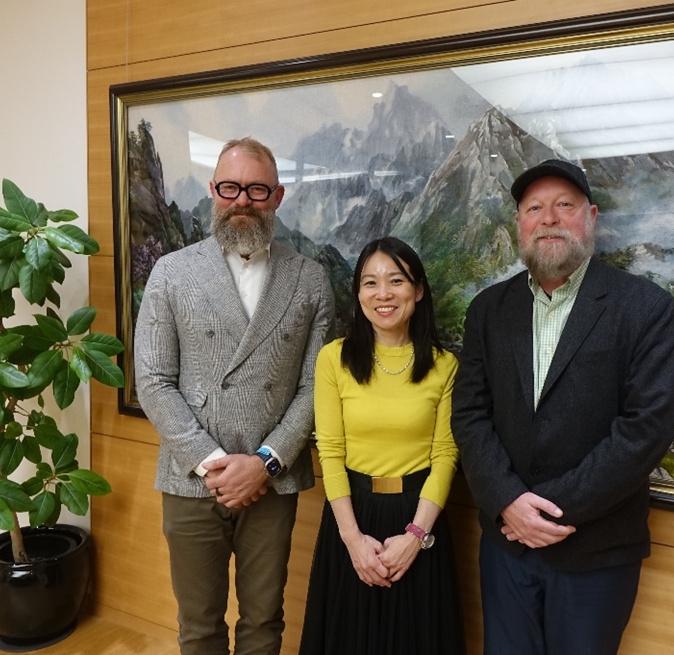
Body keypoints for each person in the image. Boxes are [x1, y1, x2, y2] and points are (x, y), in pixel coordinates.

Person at [451, 159, 674, 655]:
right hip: (506, 543)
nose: (549, 219)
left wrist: (549, 513)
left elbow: (645, 429)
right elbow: (470, 415)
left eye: (564, 205)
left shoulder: (645, 307)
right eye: (534, 208)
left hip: (595, 549)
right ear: (520, 223)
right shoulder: (488, 310)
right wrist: (509, 502)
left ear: (591, 216)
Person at [134, 137, 335, 655]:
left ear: (277, 196)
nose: (242, 199)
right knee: (198, 626)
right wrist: (214, 463)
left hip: (272, 480)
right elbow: (152, 380)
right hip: (191, 478)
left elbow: (317, 385)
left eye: (256, 189)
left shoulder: (311, 279)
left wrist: (264, 463)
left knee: (264, 622)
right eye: (230, 187)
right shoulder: (171, 272)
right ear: (213, 191)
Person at [299, 237, 465, 655]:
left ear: (418, 290)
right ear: (358, 294)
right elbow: (330, 452)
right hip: (351, 517)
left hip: (419, 517)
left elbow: (445, 455)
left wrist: (415, 536)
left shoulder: (444, 365)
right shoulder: (334, 359)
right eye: (370, 283)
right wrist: (353, 540)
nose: (383, 294)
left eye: (396, 281)